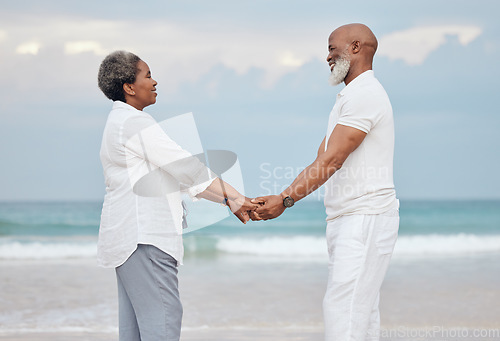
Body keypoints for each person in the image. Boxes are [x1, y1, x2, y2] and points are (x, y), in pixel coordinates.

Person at [251, 23, 399, 341]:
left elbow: (332, 161)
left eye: (333, 48)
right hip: (349, 220)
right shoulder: (349, 97)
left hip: (364, 219)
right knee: (359, 316)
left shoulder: (365, 95)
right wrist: (280, 196)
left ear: (356, 48)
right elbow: (321, 158)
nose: (327, 56)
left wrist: (286, 200)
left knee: (343, 313)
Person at [97, 50, 257, 341]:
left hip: (130, 240)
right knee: (164, 319)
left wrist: (231, 200)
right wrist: (238, 197)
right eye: (147, 75)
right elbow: (187, 167)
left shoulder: (119, 122)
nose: (154, 81)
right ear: (129, 87)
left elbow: (183, 178)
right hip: (144, 238)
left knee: (136, 329)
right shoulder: (134, 123)